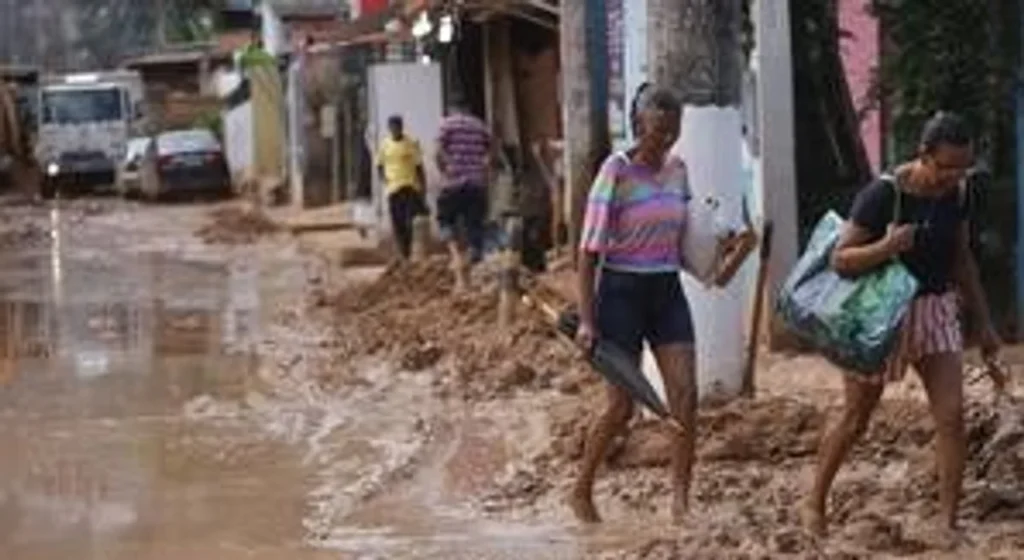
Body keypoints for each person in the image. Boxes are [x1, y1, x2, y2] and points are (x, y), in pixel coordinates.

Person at [803, 112, 1001, 540]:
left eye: (963, 168)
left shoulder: (959, 193)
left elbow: (962, 257)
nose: (954, 176)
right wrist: (887, 246)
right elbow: (841, 259)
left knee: (952, 416)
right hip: (881, 317)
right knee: (856, 418)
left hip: (934, 310)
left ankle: (948, 522)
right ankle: (815, 503)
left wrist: (984, 324)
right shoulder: (881, 195)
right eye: (947, 167)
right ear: (923, 156)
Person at [571, 85, 697, 524]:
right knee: (622, 407)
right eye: (658, 129)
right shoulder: (616, 171)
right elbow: (588, 253)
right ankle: (582, 487)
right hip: (620, 293)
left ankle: (681, 502)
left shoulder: (680, 170)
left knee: (685, 397)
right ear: (640, 124)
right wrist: (587, 320)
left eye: (673, 130)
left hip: (666, 291)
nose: (665, 139)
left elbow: (687, 238)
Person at [435, 99, 492, 291]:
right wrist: (482, 170)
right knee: (474, 228)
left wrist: (445, 170)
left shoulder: (447, 124)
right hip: (476, 185)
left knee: (445, 222)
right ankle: (471, 275)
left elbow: (438, 151)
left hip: (453, 184)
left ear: (453, 108)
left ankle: (456, 260)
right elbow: (491, 151)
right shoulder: (480, 125)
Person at [376, 115, 427, 260]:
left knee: (409, 221)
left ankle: (408, 251)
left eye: (397, 127)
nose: (395, 130)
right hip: (393, 189)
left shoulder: (410, 143)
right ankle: (402, 253)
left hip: (409, 187)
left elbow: (419, 167)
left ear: (401, 127)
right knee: (397, 222)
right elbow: (379, 164)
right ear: (389, 128)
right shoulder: (384, 145)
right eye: (392, 127)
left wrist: (423, 188)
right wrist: (384, 180)